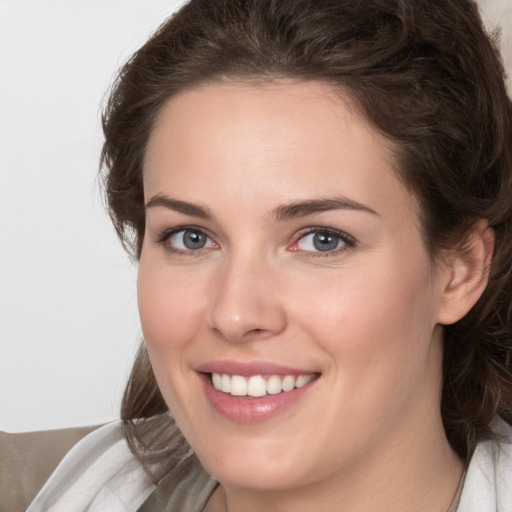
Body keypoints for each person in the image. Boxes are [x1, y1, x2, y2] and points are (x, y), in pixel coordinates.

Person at [28, 0, 512, 510]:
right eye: (191, 237)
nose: (234, 313)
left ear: (461, 270)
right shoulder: (45, 487)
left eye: (322, 239)